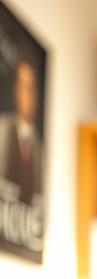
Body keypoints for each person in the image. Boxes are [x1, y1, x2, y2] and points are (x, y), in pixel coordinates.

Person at [0, 55, 44, 204]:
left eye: (31, 88)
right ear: (16, 90)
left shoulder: (40, 149)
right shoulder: (2, 131)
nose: (27, 95)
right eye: (23, 86)